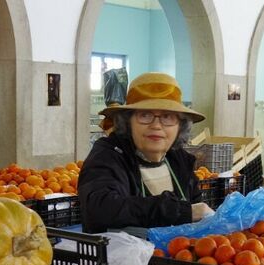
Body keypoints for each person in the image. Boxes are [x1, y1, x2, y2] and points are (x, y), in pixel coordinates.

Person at [79, 72, 213, 233]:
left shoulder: (180, 161)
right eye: (145, 115)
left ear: (180, 126)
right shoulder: (107, 156)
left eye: (168, 116)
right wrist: (180, 212)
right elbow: (101, 208)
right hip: (119, 256)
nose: (156, 125)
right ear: (128, 122)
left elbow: (196, 216)